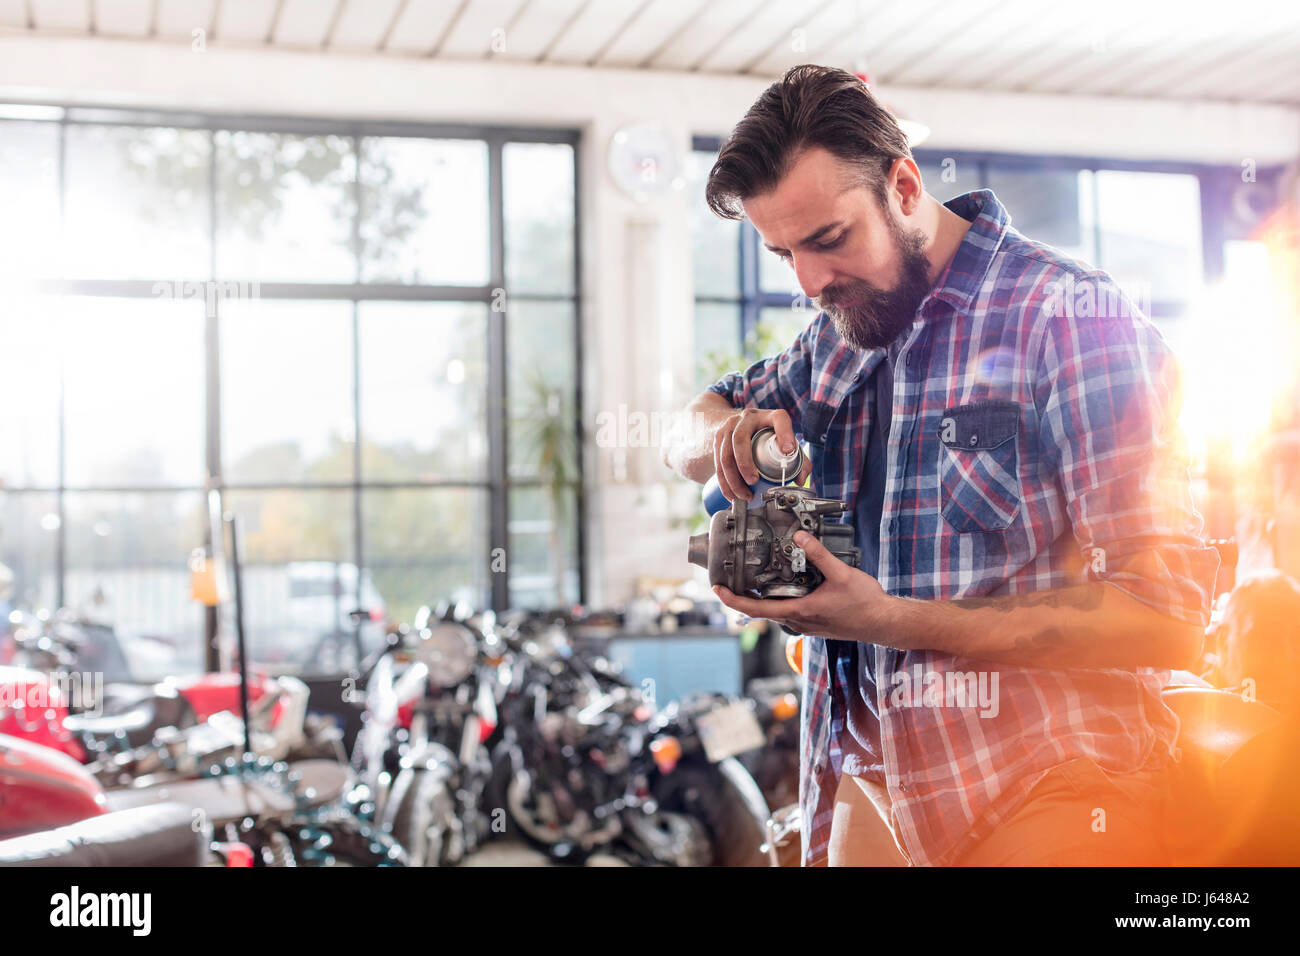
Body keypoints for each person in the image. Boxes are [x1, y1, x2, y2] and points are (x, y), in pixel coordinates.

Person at [663, 65, 1220, 866]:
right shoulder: (837, 335)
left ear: (904, 184)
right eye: (783, 253)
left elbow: (1167, 622)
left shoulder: (1070, 321)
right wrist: (728, 436)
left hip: (1050, 784)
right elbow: (686, 428)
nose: (812, 282)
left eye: (829, 240)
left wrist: (886, 617)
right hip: (863, 778)